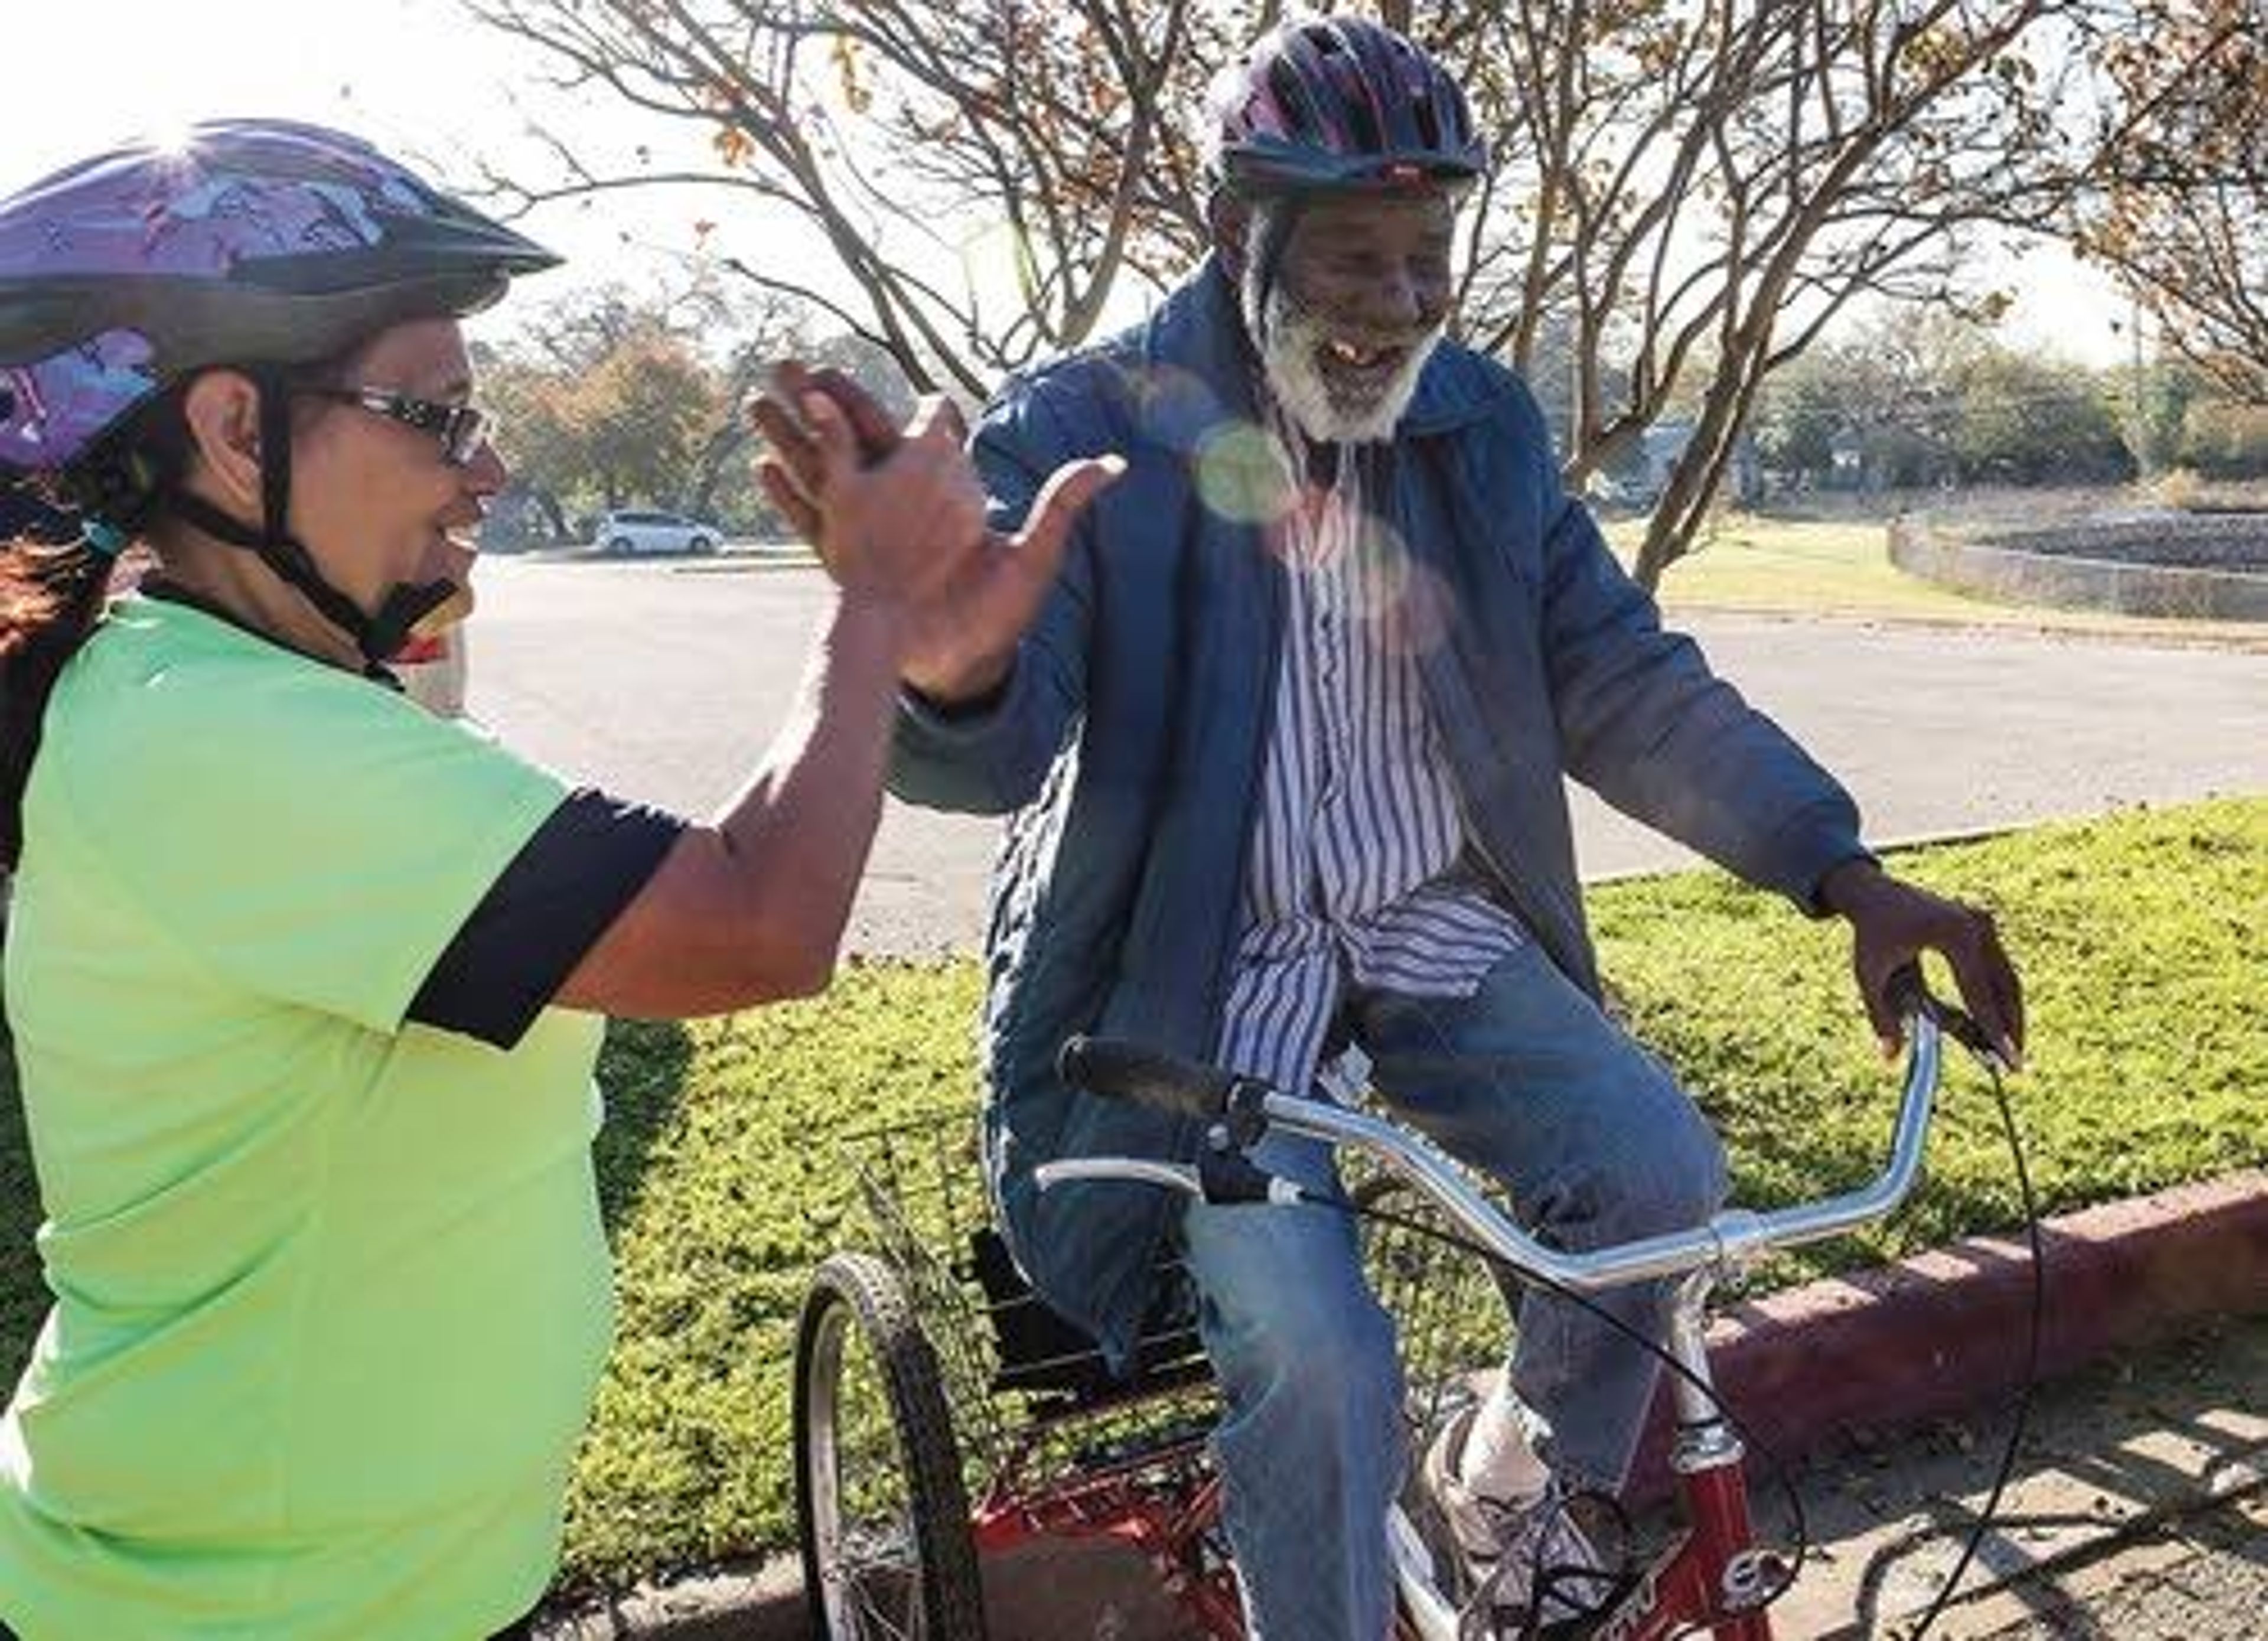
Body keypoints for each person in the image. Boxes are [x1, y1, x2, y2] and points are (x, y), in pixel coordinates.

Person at [778, 17, 2026, 1639]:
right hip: (1198, 977)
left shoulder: (1479, 432)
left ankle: (1498, 1486)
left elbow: (1622, 681)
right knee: (1315, 1343)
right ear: (1241, 234)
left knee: (1657, 1173)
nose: (1397, 306)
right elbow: (994, 738)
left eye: (1427, 257)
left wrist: (1841, 870)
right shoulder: (1094, 426)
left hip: (1428, 924)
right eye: (1354, 260)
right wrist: (944, 663)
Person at [0, 119, 1112, 1640]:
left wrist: (921, 651)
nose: (493, 467)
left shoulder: (249, 699)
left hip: (373, 1587)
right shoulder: (212, 739)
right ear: (236, 432)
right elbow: (750, 925)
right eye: (436, 415)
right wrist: (869, 599)